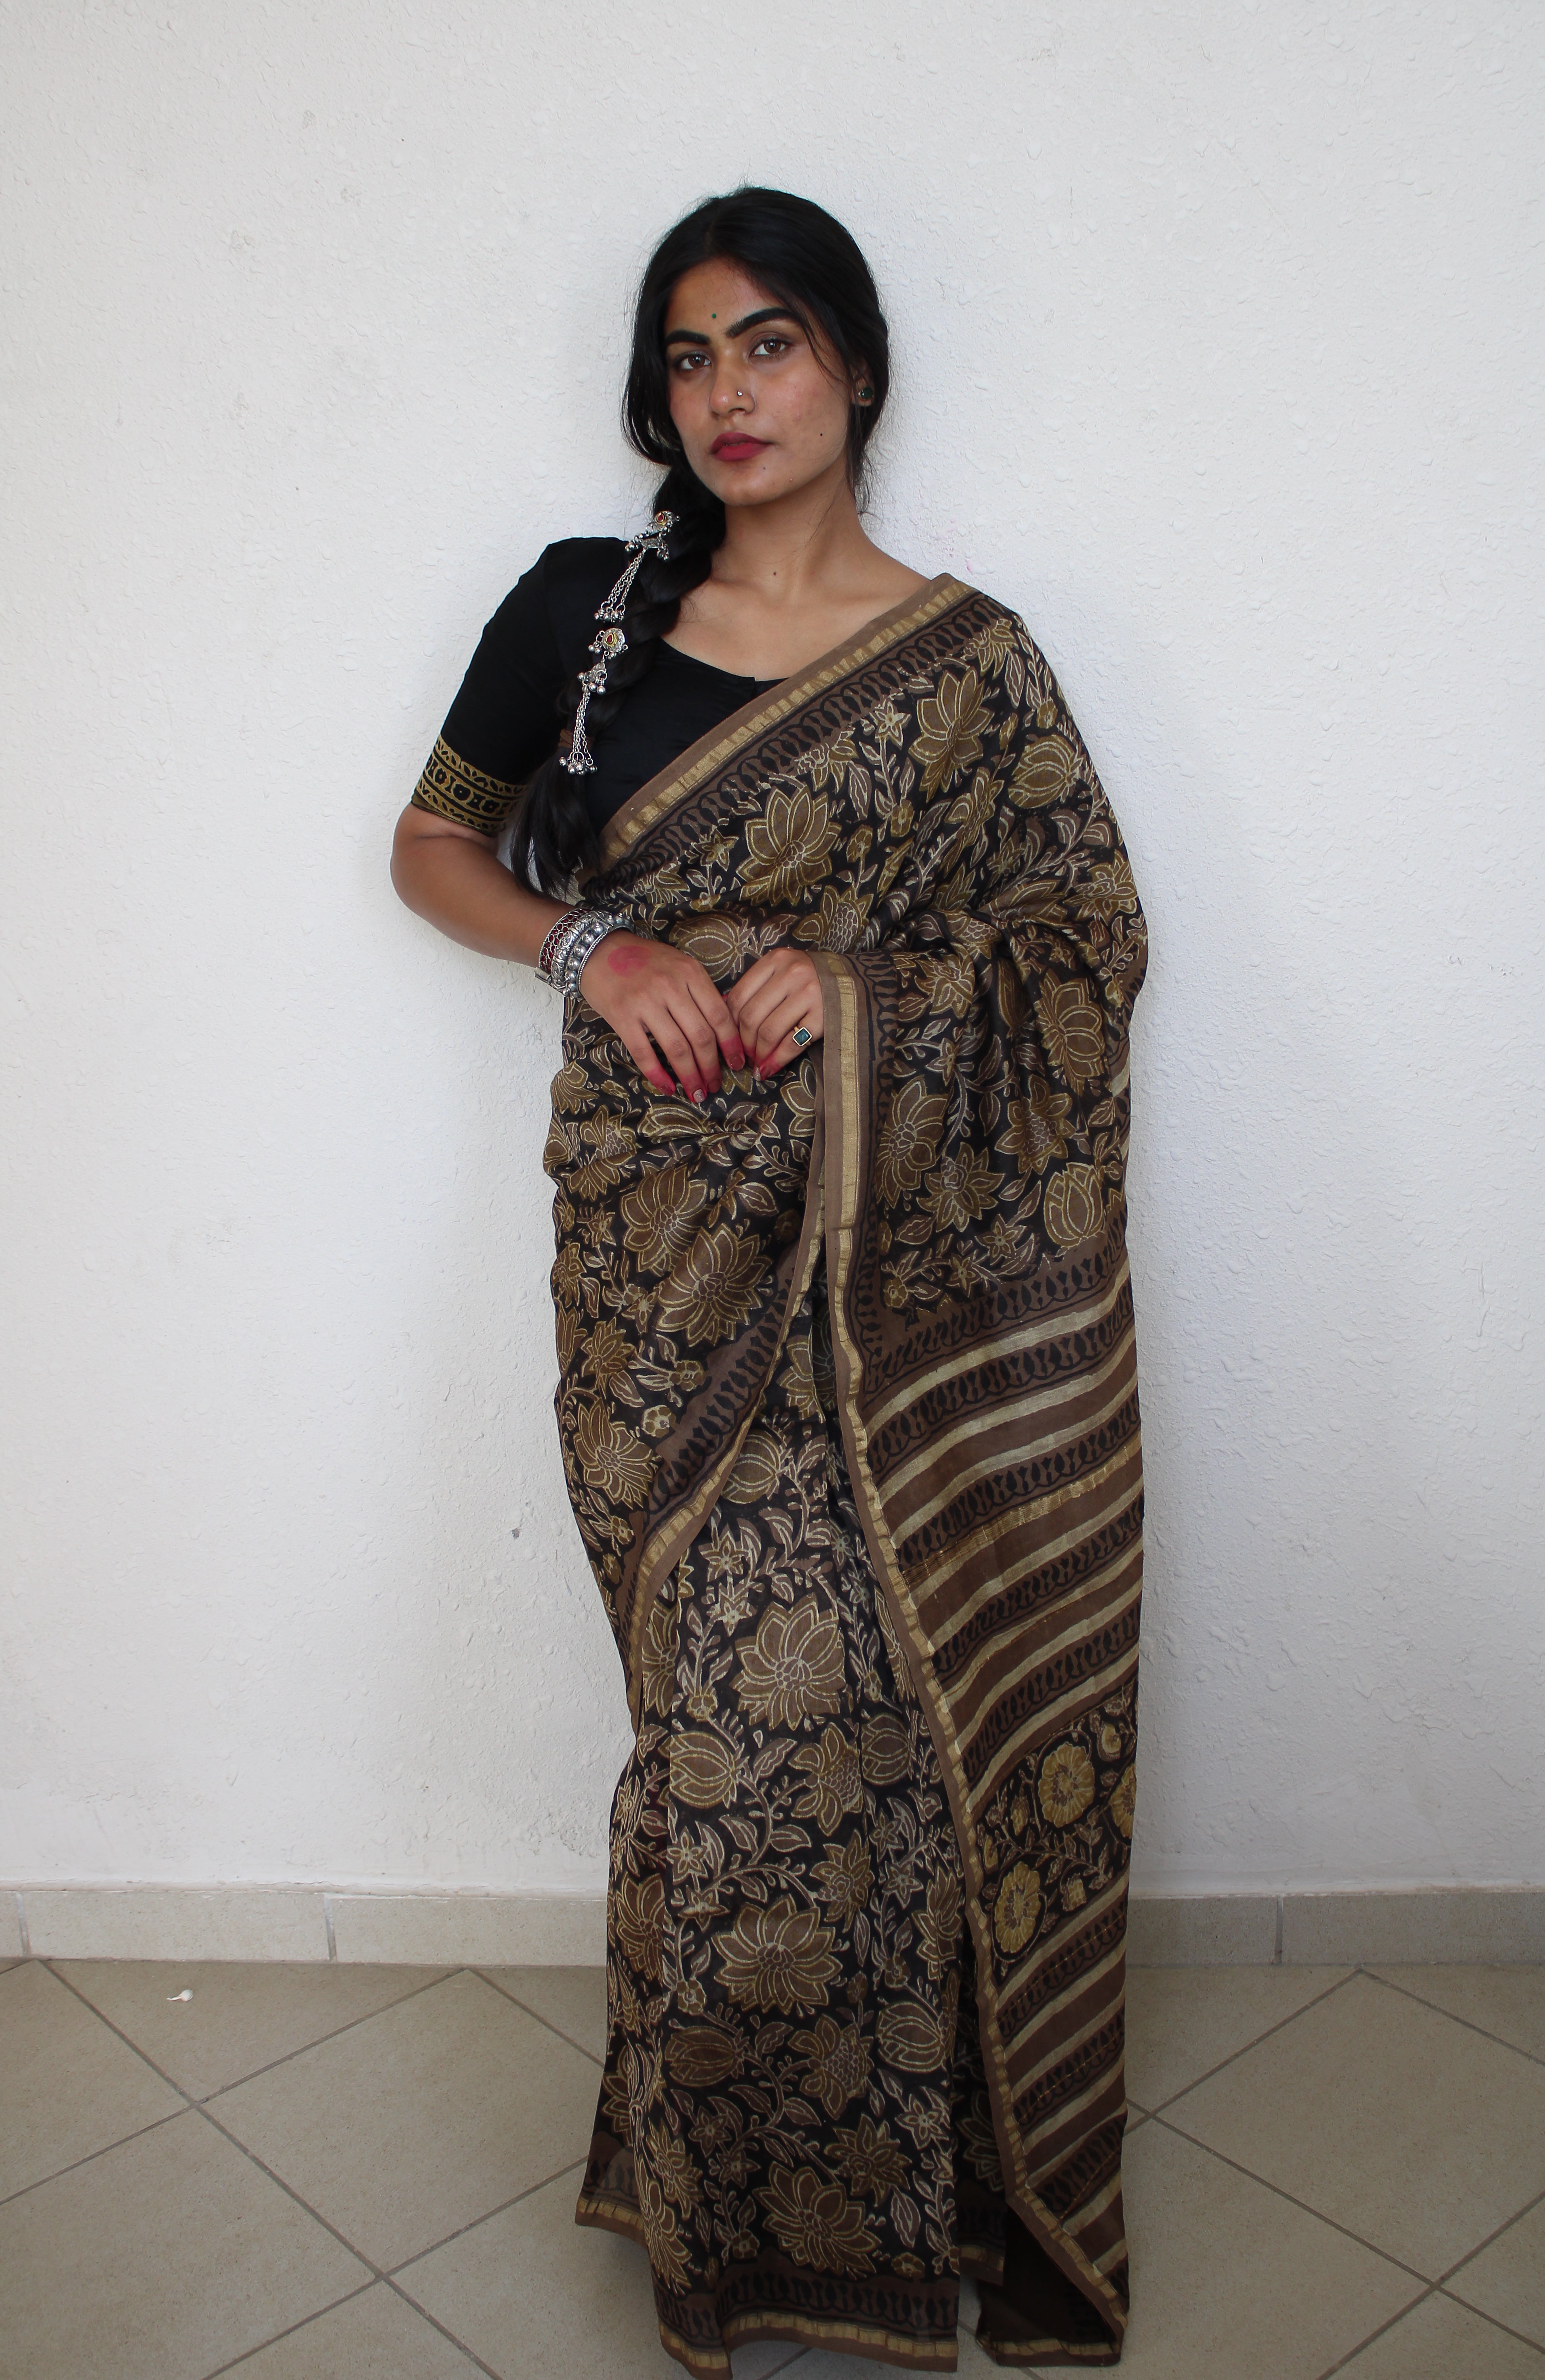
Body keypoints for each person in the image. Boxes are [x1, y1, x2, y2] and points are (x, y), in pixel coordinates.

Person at [392, 186, 1148, 2375]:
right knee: (720, 1752)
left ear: (857, 369)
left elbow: (1088, 944)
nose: (729, 390)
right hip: (657, 1275)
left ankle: (909, 2210)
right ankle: (728, 2237)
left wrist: (872, 989)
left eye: (772, 342)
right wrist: (593, 945)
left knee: (888, 1741)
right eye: (691, 353)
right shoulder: (585, 617)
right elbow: (429, 843)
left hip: (892, 1287)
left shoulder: (974, 667)